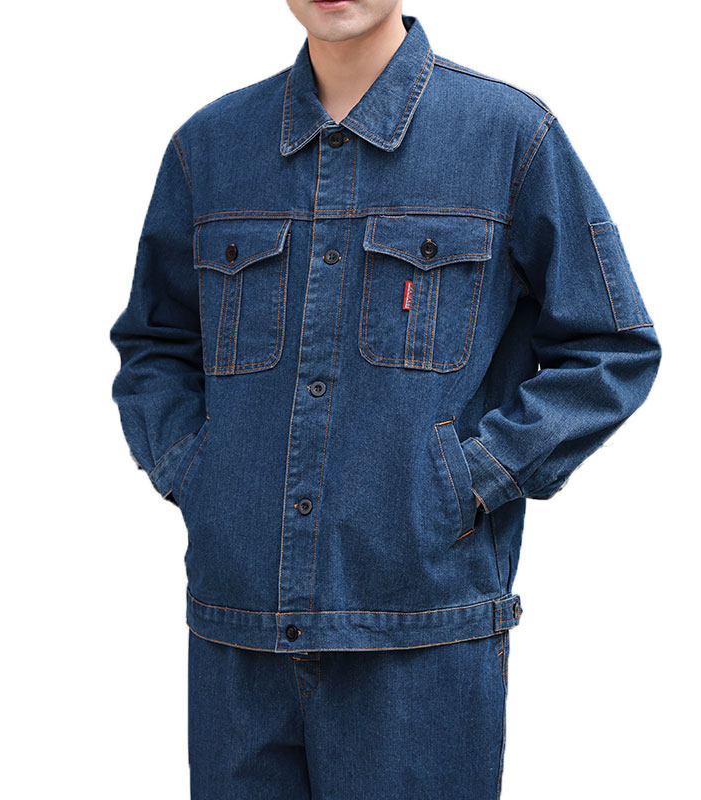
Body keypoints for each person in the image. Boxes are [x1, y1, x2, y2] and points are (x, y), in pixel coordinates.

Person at [109, 2, 661, 797]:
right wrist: (200, 473)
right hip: (238, 636)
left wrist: (470, 479)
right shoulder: (210, 147)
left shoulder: (509, 137)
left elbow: (611, 344)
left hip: (423, 637)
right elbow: (155, 345)